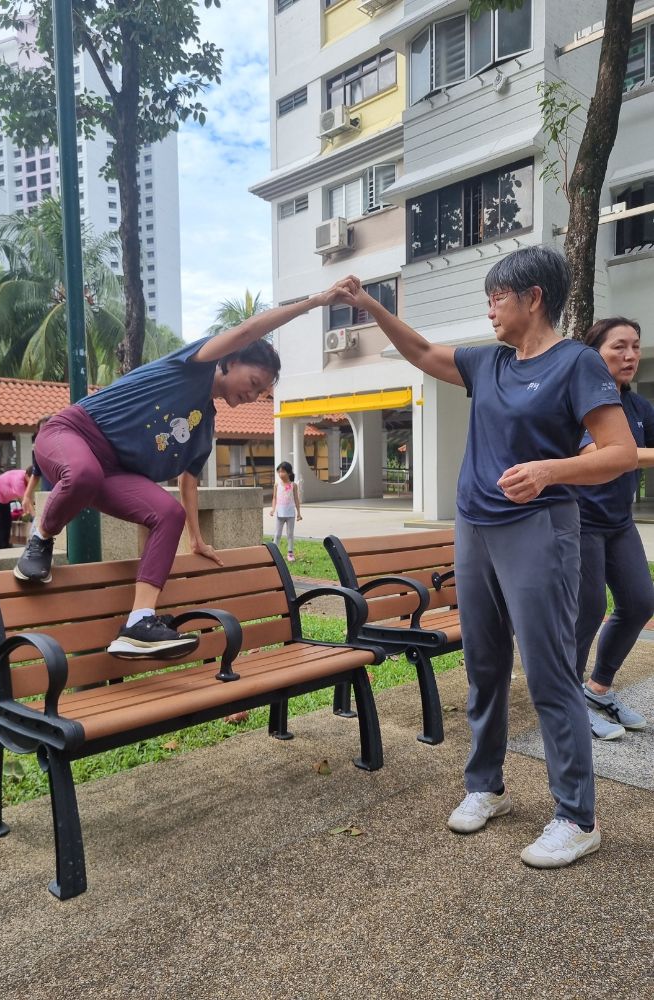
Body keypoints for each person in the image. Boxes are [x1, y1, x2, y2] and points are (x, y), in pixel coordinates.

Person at [338, 246, 637, 868]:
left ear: (533, 298)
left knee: (551, 672)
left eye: (497, 296)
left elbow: (619, 452)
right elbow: (422, 354)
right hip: (475, 525)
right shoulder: (489, 361)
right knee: (484, 664)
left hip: (539, 527)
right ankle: (486, 785)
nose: (489, 307)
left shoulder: (577, 363)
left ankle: (576, 817)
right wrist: (370, 304)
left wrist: (552, 470)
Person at [13, 280, 353, 659]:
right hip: (70, 433)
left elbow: (188, 484)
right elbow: (246, 330)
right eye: (254, 382)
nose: (254, 395)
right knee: (84, 473)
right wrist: (318, 300)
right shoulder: (194, 366)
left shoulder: (204, 428)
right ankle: (40, 538)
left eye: (261, 392)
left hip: (112, 472)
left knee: (167, 511)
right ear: (230, 361)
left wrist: (195, 538)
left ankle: (139, 622)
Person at [575, 317, 654, 740]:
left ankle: (598, 689)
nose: (629, 356)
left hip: (619, 522)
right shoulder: (581, 400)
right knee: (586, 610)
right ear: (594, 354)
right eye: (618, 347)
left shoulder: (639, 406)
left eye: (636, 347)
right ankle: (569, 703)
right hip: (580, 520)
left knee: (641, 602)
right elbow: (609, 452)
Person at [0, 466, 36, 549]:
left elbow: (30, 497)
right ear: (27, 476)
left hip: (4, 499)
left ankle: (5, 545)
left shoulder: (27, 476)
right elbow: (25, 500)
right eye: (32, 479)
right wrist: (35, 517)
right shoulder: (18, 482)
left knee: (7, 521)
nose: (34, 482)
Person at [270, 461, 302, 562]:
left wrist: (299, 513)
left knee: (290, 534)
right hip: (280, 513)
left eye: (283, 471)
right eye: (279, 472)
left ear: (288, 472)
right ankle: (275, 553)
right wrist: (273, 509)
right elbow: (274, 498)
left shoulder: (293, 485)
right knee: (277, 534)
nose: (280, 474)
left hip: (291, 514)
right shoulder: (276, 485)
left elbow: (296, 499)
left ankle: (290, 553)